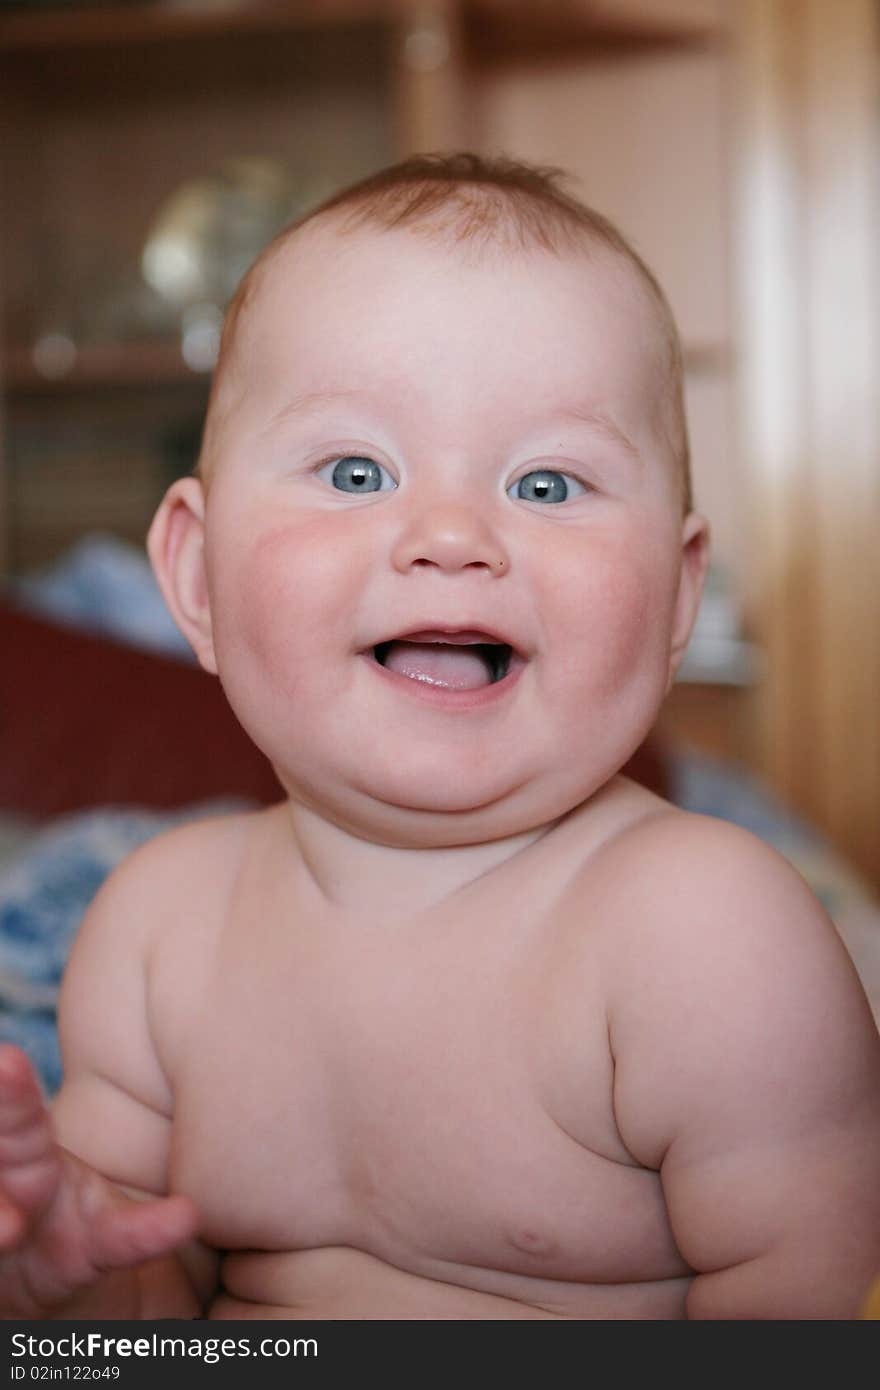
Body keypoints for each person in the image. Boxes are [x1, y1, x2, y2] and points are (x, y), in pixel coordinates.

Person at [2, 153, 879, 1321]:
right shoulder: (154, 932)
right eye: (356, 469)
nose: (452, 534)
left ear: (674, 601)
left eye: (551, 485)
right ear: (196, 580)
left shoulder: (709, 942)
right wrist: (63, 1268)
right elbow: (146, 1313)